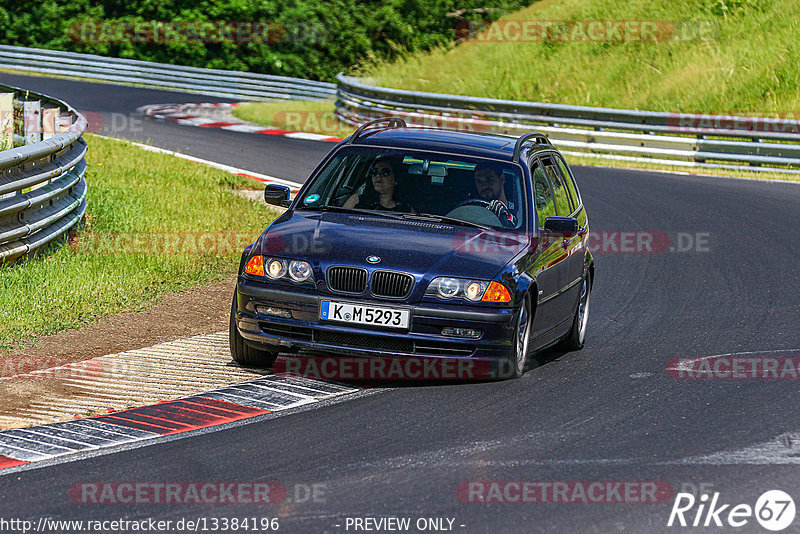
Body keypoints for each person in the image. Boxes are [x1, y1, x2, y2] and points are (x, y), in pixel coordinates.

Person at [343, 157, 413, 212]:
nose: (378, 176)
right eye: (374, 172)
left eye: (385, 172)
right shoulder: (356, 200)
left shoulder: (406, 209)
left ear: (396, 180)